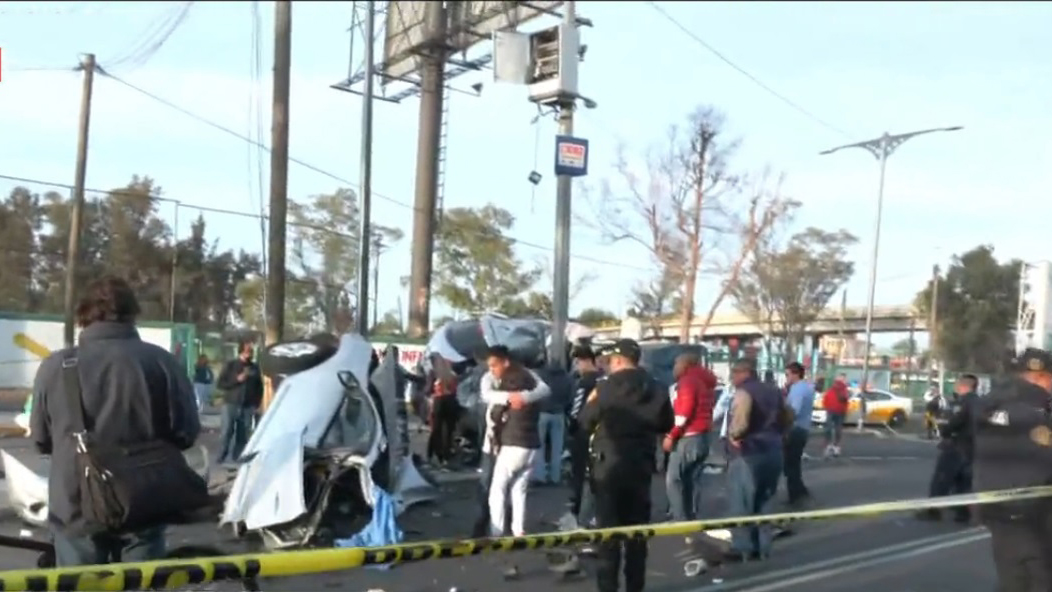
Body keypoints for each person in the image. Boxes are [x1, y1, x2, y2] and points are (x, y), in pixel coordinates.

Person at [29, 276, 200, 566]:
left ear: (83, 315)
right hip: (145, 500)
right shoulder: (162, 362)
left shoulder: (56, 366)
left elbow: (40, 440)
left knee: (79, 583)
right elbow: (186, 433)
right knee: (142, 580)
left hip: (75, 504)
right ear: (132, 314)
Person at [578, 338, 674, 592]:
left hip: (608, 463)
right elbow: (666, 423)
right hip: (641, 463)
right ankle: (635, 586)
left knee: (608, 533)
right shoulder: (657, 387)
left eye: (610, 360)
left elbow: (584, 421)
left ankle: (608, 587)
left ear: (619, 360)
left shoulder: (605, 387)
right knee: (637, 533)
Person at [974, 348, 1052, 590]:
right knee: (1041, 577)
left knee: (1012, 576)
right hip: (1035, 512)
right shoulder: (1042, 409)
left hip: (996, 506)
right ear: (1044, 378)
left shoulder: (988, 403)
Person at [481, 345, 550, 579]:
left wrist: (508, 400)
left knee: (497, 490)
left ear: (506, 362)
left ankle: (497, 533)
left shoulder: (511, 383)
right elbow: (543, 390)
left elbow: (495, 412)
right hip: (531, 444)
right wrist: (519, 397)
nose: (491, 370)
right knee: (519, 489)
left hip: (512, 443)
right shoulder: (530, 381)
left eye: (494, 365)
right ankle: (518, 530)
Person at [724, 357, 791, 562]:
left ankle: (743, 547)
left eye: (734, 373)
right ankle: (763, 547)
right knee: (766, 500)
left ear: (744, 372)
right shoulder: (774, 391)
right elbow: (788, 416)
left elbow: (741, 421)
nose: (732, 378)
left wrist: (734, 436)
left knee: (742, 501)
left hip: (750, 451)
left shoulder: (744, 392)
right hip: (774, 450)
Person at [663, 353, 717, 528]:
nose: (674, 367)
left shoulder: (687, 382)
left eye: (676, 363)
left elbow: (683, 413)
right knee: (691, 479)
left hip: (688, 436)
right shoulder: (705, 382)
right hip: (703, 435)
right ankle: (690, 515)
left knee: (673, 479)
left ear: (685, 364)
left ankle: (679, 518)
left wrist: (672, 435)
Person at [917, 374, 978, 523]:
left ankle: (934, 510)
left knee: (942, 479)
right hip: (972, 447)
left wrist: (944, 430)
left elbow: (953, 423)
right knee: (964, 482)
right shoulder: (981, 402)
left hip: (955, 446)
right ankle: (963, 513)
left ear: (962, 386)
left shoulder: (962, 403)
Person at [568, 346, 602, 527]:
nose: (577, 366)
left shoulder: (585, 382)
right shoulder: (604, 380)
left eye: (578, 362)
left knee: (579, 474)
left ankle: (578, 513)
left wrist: (572, 426)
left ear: (586, 361)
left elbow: (576, 409)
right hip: (599, 433)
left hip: (583, 431)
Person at [216, 340, 263, 465]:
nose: (250, 354)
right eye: (247, 351)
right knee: (227, 431)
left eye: (251, 351)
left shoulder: (254, 367)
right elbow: (221, 384)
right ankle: (221, 456)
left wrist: (257, 404)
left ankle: (237, 457)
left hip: (247, 405)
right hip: (231, 404)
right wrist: (237, 379)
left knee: (243, 434)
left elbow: (259, 387)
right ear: (241, 351)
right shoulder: (231, 365)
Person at [532, 360, 573, 485]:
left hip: (542, 413)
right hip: (559, 413)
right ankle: (555, 476)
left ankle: (540, 476)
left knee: (539, 446)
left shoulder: (541, 376)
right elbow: (570, 397)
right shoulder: (567, 378)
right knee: (557, 448)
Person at [783, 362, 814, 505]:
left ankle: (794, 495)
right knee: (794, 462)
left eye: (787, 374)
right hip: (803, 428)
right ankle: (800, 490)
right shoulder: (805, 387)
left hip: (795, 429)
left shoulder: (798, 390)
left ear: (795, 374)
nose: (786, 377)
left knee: (790, 464)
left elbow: (793, 411)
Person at [426, 354, 461, 469]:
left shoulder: (434, 373)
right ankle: (445, 456)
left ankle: (433, 455)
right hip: (451, 400)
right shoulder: (453, 373)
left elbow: (428, 389)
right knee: (448, 430)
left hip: (439, 401)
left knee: (436, 429)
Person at [821, 374, 850, 458]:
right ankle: (835, 446)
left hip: (832, 410)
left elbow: (826, 398)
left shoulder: (833, 389)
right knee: (837, 429)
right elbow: (845, 400)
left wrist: (827, 406)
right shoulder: (843, 389)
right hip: (840, 411)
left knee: (829, 428)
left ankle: (829, 445)